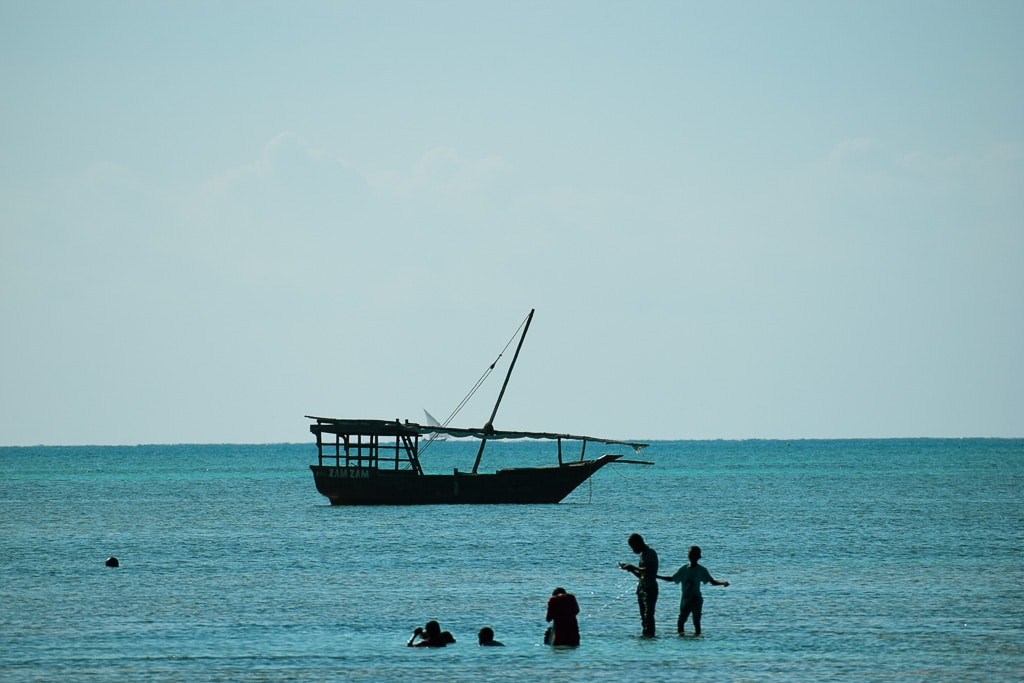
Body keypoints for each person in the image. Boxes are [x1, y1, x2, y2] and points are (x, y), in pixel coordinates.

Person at [658, 545, 729, 635]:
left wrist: (723, 583)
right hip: (685, 599)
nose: (691, 556)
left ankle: (697, 639)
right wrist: (657, 576)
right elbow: (672, 578)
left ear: (698, 556)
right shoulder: (684, 569)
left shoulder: (701, 570)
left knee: (696, 622)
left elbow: (712, 582)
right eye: (690, 553)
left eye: (693, 554)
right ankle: (681, 638)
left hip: (696, 599)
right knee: (680, 622)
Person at [619, 532, 658, 637]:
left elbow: (648, 570)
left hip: (650, 589)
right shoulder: (643, 555)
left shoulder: (650, 553)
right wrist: (631, 570)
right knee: (643, 617)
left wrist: (633, 567)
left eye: (633, 547)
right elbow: (641, 575)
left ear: (639, 543)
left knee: (648, 616)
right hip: (642, 589)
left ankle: (650, 636)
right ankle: (646, 636)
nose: (633, 550)